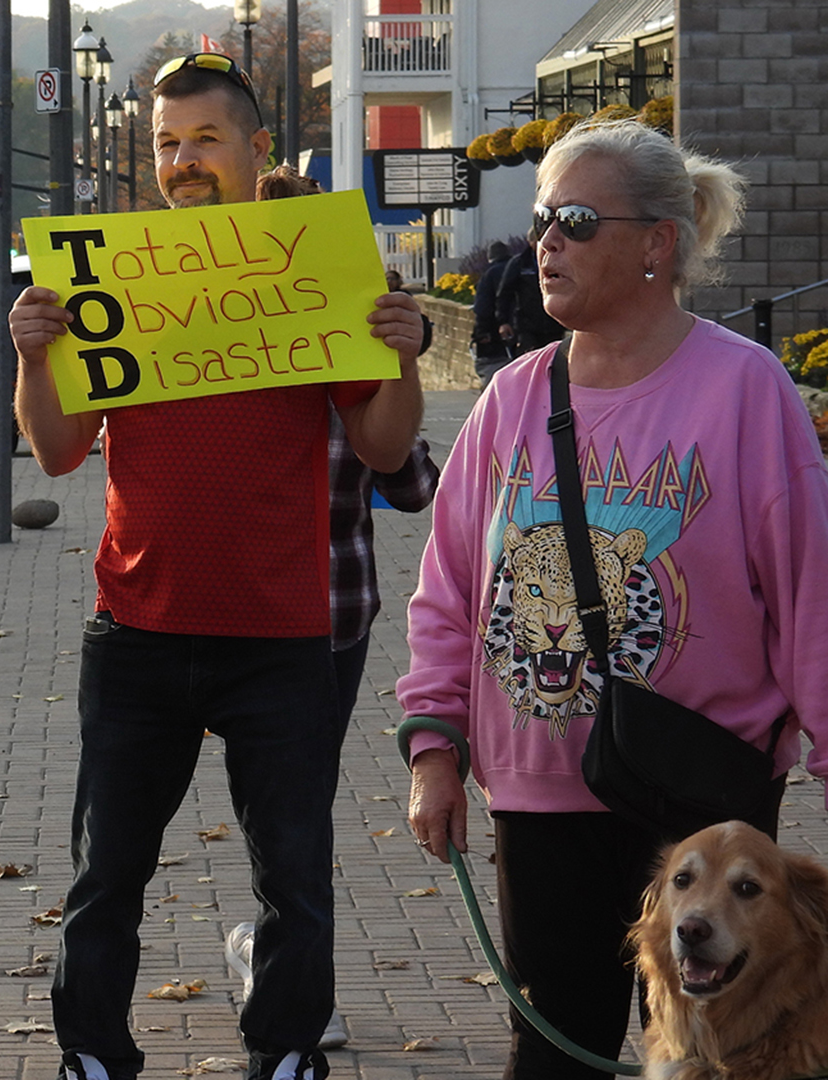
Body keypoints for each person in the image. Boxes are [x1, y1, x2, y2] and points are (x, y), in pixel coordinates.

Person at [8, 53, 426, 1080]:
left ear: (255, 150)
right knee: (107, 870)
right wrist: (29, 358)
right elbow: (60, 450)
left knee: (295, 872)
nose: (183, 161)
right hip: (138, 625)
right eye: (165, 145)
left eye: (204, 140)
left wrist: (405, 355)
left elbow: (381, 448)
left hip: (281, 631)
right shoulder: (114, 268)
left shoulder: (310, 267)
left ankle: (285, 1049)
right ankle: (92, 1053)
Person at [400, 119, 828, 1079]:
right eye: (543, 217)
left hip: (702, 791)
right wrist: (433, 745)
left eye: (578, 220)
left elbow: (813, 596)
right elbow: (450, 590)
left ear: (656, 245)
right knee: (558, 1051)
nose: (545, 240)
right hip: (540, 788)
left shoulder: (745, 390)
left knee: (720, 1050)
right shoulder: (512, 399)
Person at [222, 166, 444, 1053]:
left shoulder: (350, 346)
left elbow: (412, 479)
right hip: (216, 610)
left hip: (325, 614)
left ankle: (293, 981)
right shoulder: (221, 348)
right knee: (277, 804)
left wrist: (393, 357)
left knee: (294, 803)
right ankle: (279, 957)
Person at [494, 240, 564, 357]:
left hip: (553, 324)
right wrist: (503, 321)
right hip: (527, 326)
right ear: (532, 242)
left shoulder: (557, 262)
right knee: (528, 360)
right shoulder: (520, 263)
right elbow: (504, 294)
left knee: (552, 362)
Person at [470, 241, 514, 385]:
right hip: (521, 327)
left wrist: (482, 331)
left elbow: (483, 306)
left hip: (495, 333)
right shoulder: (518, 267)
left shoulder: (490, 274)